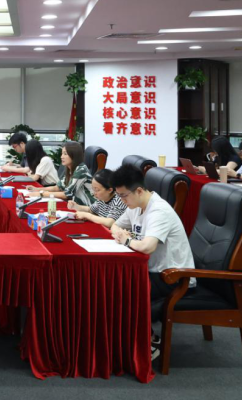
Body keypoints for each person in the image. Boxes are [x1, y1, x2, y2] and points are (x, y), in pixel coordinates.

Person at [109, 164, 195, 361]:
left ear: (139, 190)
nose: (122, 201)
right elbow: (115, 225)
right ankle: (132, 339)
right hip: (153, 270)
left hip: (173, 276)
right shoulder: (135, 206)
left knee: (122, 289)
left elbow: (147, 247)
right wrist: (122, 234)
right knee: (113, 282)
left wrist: (127, 240)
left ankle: (148, 343)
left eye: (124, 196)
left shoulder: (159, 211)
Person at [27, 141, 95, 206]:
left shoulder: (81, 170)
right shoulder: (70, 169)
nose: (61, 157)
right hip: (74, 205)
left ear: (74, 155)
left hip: (86, 207)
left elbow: (67, 194)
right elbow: (57, 188)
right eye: (62, 153)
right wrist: (37, 189)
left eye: (65, 154)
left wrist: (41, 194)